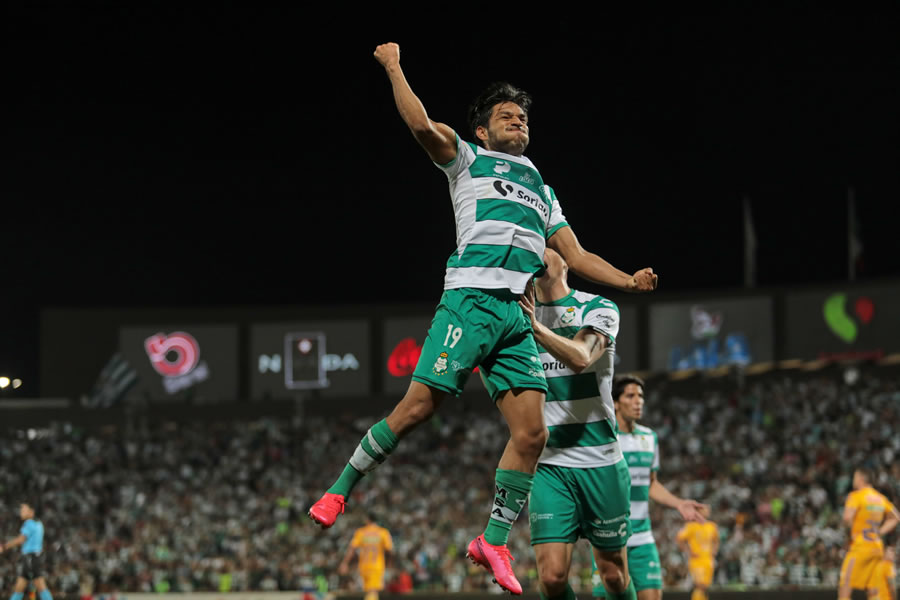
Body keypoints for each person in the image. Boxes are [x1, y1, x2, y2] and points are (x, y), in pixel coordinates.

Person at [309, 41, 658, 596]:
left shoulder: (543, 189)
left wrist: (627, 281)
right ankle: (339, 488)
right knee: (418, 408)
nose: (518, 121)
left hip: (516, 316)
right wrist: (395, 66)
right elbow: (422, 125)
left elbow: (580, 255)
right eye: (505, 116)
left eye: (522, 116)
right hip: (470, 303)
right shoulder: (468, 162)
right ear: (483, 131)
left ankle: (492, 540)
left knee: (533, 432)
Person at [516, 248, 635, 600]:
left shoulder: (597, 308)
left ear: (568, 263)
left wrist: (535, 328)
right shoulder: (519, 314)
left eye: (546, 248)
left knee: (613, 576)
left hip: (600, 461)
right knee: (551, 578)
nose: (536, 252)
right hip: (550, 465)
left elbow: (582, 357)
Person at [597, 375, 708, 600]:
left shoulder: (649, 438)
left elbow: (651, 484)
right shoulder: (605, 438)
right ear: (616, 402)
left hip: (643, 538)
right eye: (631, 396)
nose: (638, 401)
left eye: (641, 396)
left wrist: (679, 503)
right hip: (609, 537)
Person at [838, 468, 900, 600]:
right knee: (873, 591)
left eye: (855, 477)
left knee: (845, 585)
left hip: (860, 547)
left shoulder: (856, 496)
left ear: (861, 478)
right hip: (877, 548)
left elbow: (847, 519)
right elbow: (896, 517)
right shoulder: (880, 498)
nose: (853, 480)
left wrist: (848, 537)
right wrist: (880, 532)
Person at [0, 503, 54, 600]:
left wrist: (4, 547)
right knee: (19, 588)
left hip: (31, 558)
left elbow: (20, 540)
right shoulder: (39, 523)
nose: (21, 512)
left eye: (24, 510)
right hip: (33, 558)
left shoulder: (29, 523)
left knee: (41, 587)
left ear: (31, 511)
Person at [338, 513, 394, 600]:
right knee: (373, 592)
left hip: (364, 566)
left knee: (369, 591)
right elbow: (389, 550)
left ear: (368, 519)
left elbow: (351, 549)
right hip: (377, 566)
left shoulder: (361, 532)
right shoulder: (383, 532)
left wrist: (345, 563)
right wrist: (390, 563)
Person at [676, 518, 719, 600]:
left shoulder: (712, 526)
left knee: (705, 587)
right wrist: (688, 551)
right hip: (696, 560)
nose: (706, 511)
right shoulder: (691, 526)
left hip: (708, 560)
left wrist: (714, 551)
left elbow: (716, 540)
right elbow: (679, 538)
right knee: (700, 585)